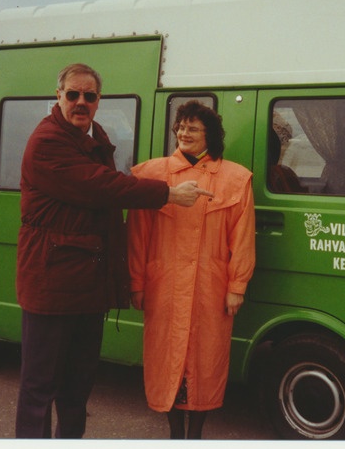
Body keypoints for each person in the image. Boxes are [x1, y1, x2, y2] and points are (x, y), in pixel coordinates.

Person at [14, 64, 212, 438]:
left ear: (99, 100)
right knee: (40, 388)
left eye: (89, 96)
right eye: (73, 94)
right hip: (51, 284)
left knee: (77, 388)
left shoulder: (93, 134)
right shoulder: (47, 142)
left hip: (87, 286)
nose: (81, 102)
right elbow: (101, 186)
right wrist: (168, 193)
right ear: (58, 96)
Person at [127, 100, 255, 439]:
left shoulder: (235, 179)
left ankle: (195, 435)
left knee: (204, 361)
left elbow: (241, 239)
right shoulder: (149, 175)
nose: (184, 133)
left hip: (208, 289)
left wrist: (236, 286)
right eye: (181, 127)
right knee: (167, 359)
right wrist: (137, 281)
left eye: (193, 128)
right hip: (164, 284)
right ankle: (173, 434)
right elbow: (138, 236)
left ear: (210, 136)